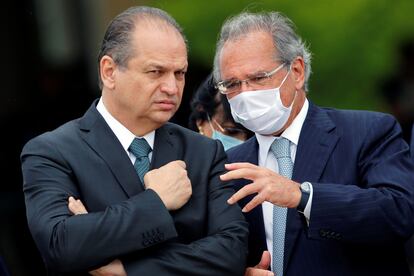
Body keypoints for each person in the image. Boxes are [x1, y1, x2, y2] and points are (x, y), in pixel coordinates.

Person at [21, 6, 248, 275]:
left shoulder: (204, 151)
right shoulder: (52, 152)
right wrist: (157, 200)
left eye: (180, 73)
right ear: (109, 71)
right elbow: (61, 247)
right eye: (155, 72)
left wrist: (125, 266)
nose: (172, 88)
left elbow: (232, 253)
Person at [213, 11, 414, 276]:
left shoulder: (368, 132)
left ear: (296, 72)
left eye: (259, 78)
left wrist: (302, 196)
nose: (246, 93)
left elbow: (398, 213)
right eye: (232, 84)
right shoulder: (228, 164)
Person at [189, 73, 253, 149]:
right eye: (231, 131)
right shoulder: (175, 156)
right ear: (201, 121)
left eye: (252, 137)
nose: (243, 141)